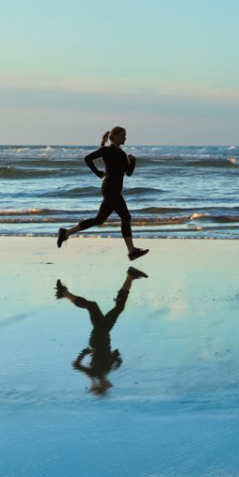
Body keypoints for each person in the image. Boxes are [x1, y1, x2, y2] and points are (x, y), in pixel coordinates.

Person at [57, 126, 148, 260]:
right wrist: (98, 173)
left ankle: (66, 233)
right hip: (110, 189)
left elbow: (128, 173)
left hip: (115, 190)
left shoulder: (122, 154)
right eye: (123, 135)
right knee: (126, 217)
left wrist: (132, 162)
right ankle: (131, 251)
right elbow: (87, 159)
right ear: (115, 136)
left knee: (99, 220)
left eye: (125, 135)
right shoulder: (106, 151)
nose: (125, 138)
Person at [55, 267, 146, 396]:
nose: (110, 386)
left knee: (119, 307)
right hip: (99, 337)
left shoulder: (95, 374)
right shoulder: (104, 372)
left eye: (106, 388)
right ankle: (64, 293)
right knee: (92, 305)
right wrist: (116, 356)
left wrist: (85, 352)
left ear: (101, 386)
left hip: (101, 335)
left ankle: (130, 276)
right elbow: (111, 357)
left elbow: (76, 365)